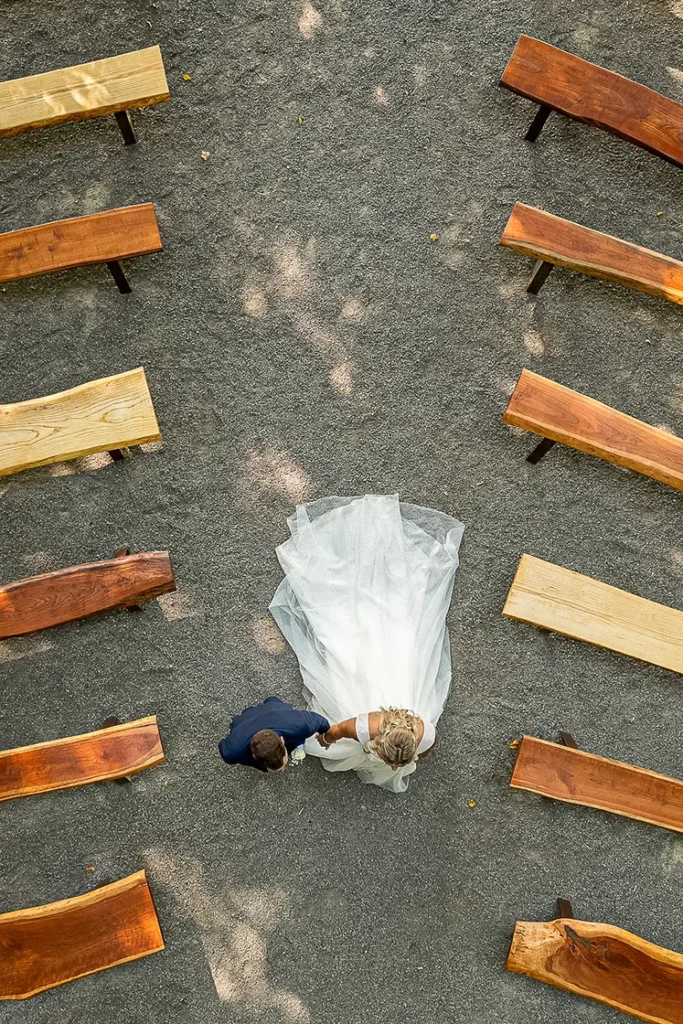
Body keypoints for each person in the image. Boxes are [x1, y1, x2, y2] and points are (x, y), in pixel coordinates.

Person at [269, 494, 464, 792]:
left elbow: (425, 750)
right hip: (376, 705)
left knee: (378, 640)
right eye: (394, 763)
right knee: (350, 647)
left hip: (398, 703)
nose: (395, 768)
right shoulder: (363, 725)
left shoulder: (426, 734)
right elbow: (334, 732)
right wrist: (325, 740)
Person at [218, 696, 329, 773]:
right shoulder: (231, 751)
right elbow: (321, 721)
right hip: (264, 713)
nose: (283, 769)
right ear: (282, 740)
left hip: (272, 711)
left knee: (273, 701)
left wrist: (327, 738)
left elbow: (321, 722)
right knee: (271, 701)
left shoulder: (300, 724)